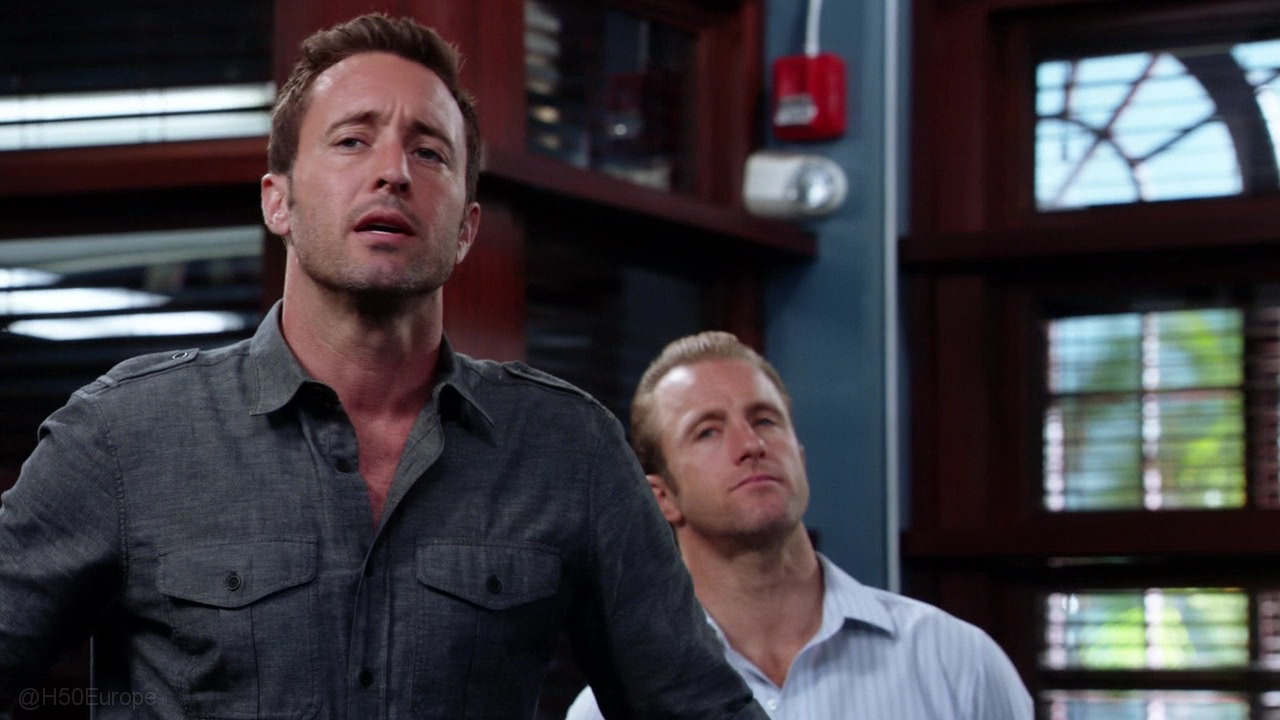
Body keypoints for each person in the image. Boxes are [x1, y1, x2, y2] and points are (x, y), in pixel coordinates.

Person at [0, 15, 767, 720]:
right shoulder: (125, 436)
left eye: (429, 152)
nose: (394, 171)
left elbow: (701, 709)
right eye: (352, 141)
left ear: (465, 229)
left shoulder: (568, 449)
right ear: (278, 202)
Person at [566, 331, 1033, 720]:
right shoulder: (612, 710)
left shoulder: (957, 661)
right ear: (661, 498)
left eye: (765, 420)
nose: (751, 445)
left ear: (800, 456)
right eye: (708, 431)